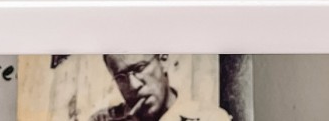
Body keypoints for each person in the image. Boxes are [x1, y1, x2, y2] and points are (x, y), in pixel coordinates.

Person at [91, 55, 230, 121]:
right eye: (120, 77)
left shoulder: (210, 118)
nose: (133, 85)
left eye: (140, 68)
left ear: (163, 60)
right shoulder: (103, 119)